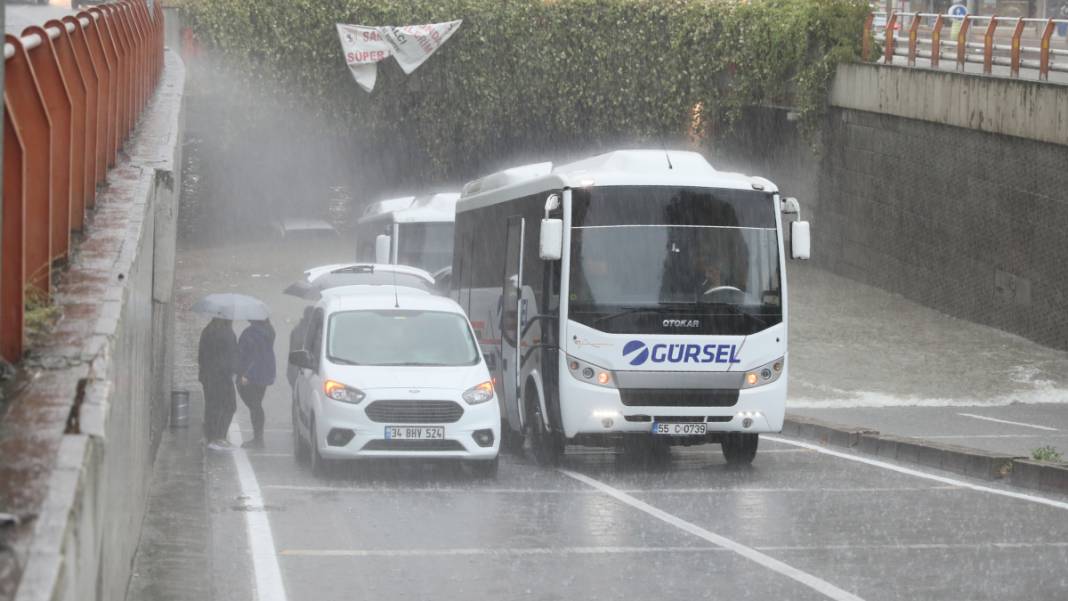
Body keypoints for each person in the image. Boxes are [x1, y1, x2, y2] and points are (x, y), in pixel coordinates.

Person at [198, 318, 238, 451]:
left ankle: (210, 436)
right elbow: (232, 357)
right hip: (222, 376)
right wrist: (234, 370)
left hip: (207, 375)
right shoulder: (228, 333)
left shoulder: (207, 330)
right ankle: (219, 437)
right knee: (230, 406)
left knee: (212, 406)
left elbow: (201, 356)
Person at [237, 319, 276, 448]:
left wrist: (244, 374)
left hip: (250, 375)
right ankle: (258, 437)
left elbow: (244, 355)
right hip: (264, 374)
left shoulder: (250, 333)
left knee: (254, 406)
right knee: (256, 404)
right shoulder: (269, 331)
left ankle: (258, 439)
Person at [287, 307, 313, 392]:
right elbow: (295, 351)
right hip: (299, 371)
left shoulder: (306, 328)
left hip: (302, 370)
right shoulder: (300, 330)